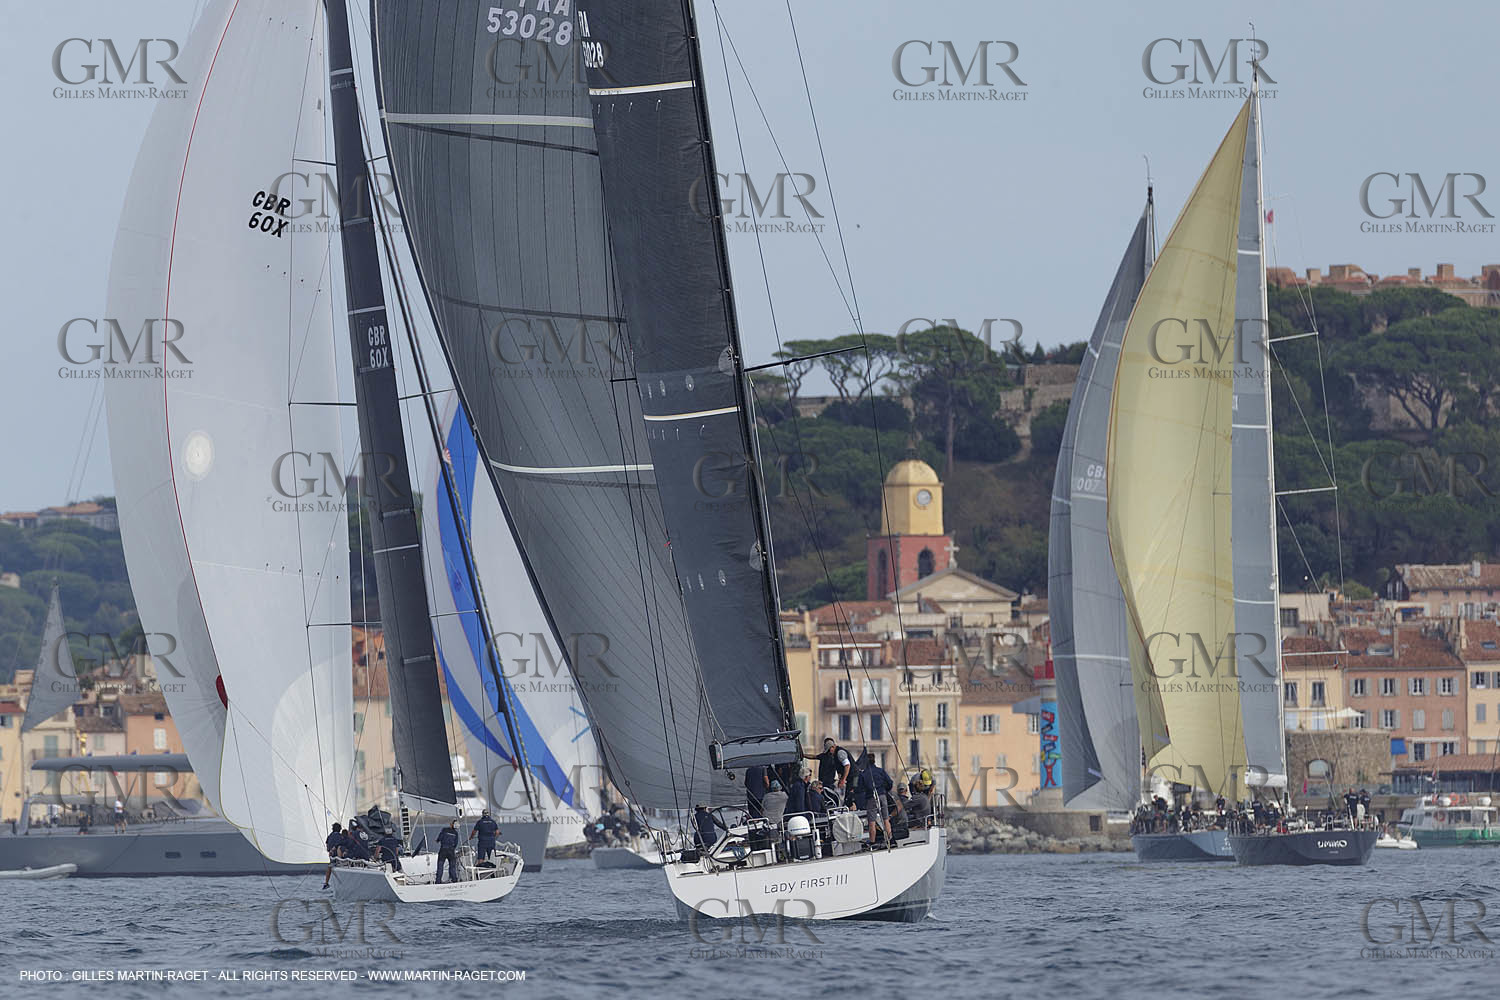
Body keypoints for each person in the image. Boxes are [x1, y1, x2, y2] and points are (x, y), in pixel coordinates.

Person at [854, 753, 893, 847]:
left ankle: (872, 842)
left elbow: (858, 789)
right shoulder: (881, 771)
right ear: (874, 760)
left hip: (871, 797)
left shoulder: (863, 774)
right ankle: (890, 839)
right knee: (886, 819)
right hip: (882, 796)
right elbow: (890, 782)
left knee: (872, 821)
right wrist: (884, 791)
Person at [805, 738, 853, 804]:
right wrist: (803, 755)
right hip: (823, 783)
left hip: (829, 784)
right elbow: (814, 757)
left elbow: (845, 766)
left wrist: (842, 779)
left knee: (830, 799)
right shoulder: (824, 756)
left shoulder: (836, 757)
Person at [436, 819, 460, 884]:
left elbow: (439, 838)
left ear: (451, 824)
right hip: (451, 851)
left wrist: (437, 840)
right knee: (452, 867)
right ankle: (454, 880)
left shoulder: (444, 830)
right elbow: (455, 844)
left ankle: (438, 881)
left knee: (440, 866)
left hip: (443, 850)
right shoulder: (456, 833)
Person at [322, 822, 345, 889]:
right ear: (340, 829)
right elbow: (340, 843)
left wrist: (329, 850)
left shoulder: (330, 836)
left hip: (331, 856)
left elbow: (327, 844)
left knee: (330, 866)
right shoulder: (340, 836)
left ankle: (326, 882)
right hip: (338, 857)